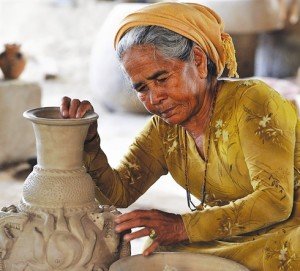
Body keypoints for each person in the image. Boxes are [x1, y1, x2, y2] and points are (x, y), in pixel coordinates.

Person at [60, 2, 300, 270]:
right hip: (238, 234)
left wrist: (183, 226)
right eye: (141, 88)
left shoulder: (253, 100)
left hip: (291, 227)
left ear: (197, 61)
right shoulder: (164, 130)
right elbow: (120, 192)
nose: (154, 98)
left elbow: (275, 201)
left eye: (161, 78)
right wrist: (90, 144)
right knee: (160, 252)